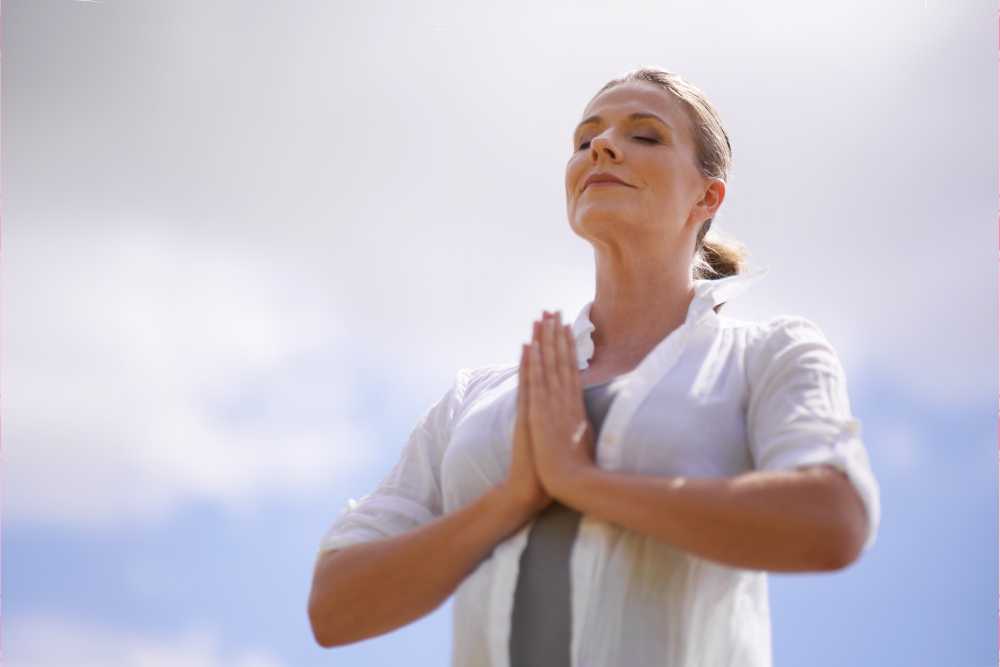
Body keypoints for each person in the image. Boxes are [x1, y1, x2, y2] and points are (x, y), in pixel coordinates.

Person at [307, 66, 881, 667]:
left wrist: (585, 485)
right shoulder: (476, 398)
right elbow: (335, 606)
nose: (601, 146)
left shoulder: (769, 355)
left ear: (707, 196)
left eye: (646, 135)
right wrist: (513, 499)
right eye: (585, 140)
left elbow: (833, 520)